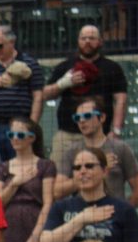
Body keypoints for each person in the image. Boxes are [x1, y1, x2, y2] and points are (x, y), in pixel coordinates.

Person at [43, 25, 128, 164]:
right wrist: (64, 83)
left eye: (92, 38)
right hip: (67, 136)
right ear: (78, 41)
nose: (87, 41)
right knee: (60, 181)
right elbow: (45, 95)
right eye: (84, 38)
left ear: (100, 41)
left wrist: (116, 130)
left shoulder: (112, 68)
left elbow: (121, 100)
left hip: (101, 137)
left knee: (103, 179)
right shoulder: (65, 66)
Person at [53, 97, 138, 207]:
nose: (82, 121)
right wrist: (93, 170)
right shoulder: (71, 152)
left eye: (87, 116)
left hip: (113, 219)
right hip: (82, 218)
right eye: (77, 117)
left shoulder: (121, 148)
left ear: (102, 117)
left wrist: (123, 213)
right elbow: (57, 192)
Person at [0, 26, 45, 161]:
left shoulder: (30, 63)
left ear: (12, 42)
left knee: (21, 164)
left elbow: (38, 96)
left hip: (20, 125)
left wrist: (32, 126)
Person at [0, 117, 57, 242]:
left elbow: (48, 203)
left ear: (32, 138)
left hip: (36, 222)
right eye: (11, 135)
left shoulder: (46, 165)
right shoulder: (1, 168)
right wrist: (15, 183)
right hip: (8, 227)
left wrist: (36, 236)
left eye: (20, 135)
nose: (14, 139)